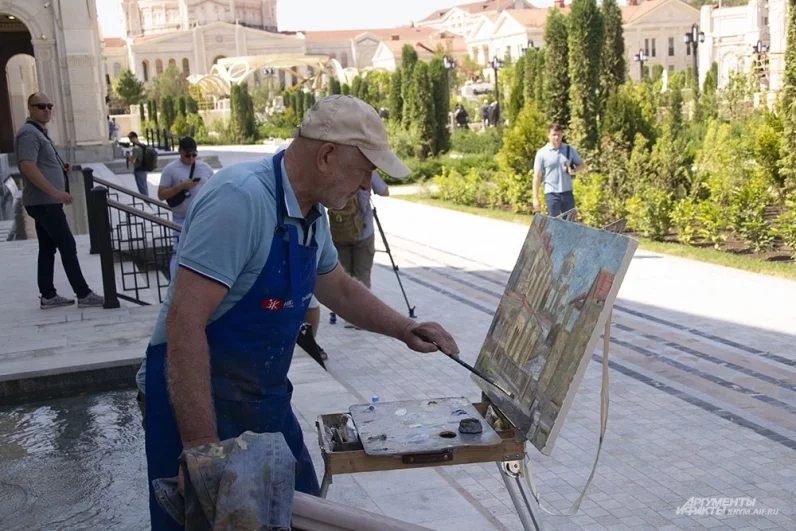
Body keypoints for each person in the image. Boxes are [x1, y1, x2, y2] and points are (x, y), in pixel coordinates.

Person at [139, 95, 459, 530]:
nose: (367, 186)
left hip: (261, 400)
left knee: (303, 516)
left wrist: (405, 327)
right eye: (365, 170)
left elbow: (340, 290)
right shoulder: (241, 198)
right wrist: (200, 449)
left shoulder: (312, 213)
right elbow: (185, 321)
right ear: (327, 156)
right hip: (195, 405)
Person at [14, 92, 105, 309]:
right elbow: (28, 166)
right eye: (41, 106)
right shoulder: (28, 133)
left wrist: (59, 168)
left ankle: (48, 295)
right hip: (44, 202)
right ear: (31, 109)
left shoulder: (38, 132)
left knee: (47, 248)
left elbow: (40, 163)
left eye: (49, 106)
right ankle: (83, 294)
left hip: (44, 201)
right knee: (67, 245)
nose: (47, 110)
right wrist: (55, 192)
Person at [328, 171, 389, 328]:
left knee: (344, 275)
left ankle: (346, 316)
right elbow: (385, 192)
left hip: (339, 232)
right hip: (363, 232)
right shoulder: (367, 171)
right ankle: (360, 318)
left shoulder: (337, 168)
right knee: (362, 274)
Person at [157, 136, 214, 278]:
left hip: (202, 217)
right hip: (180, 218)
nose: (191, 159)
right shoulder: (170, 169)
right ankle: (174, 285)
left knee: (203, 252)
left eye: (194, 155)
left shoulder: (205, 168)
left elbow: (214, 188)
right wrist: (181, 186)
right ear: (180, 152)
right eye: (187, 155)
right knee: (178, 252)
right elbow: (161, 194)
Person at [532, 123, 585, 217]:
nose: (556, 137)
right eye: (554, 135)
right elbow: (537, 176)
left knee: (570, 224)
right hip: (551, 194)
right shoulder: (542, 153)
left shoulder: (569, 150)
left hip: (567, 192)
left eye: (559, 135)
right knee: (553, 222)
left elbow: (582, 165)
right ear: (548, 135)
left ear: (562, 135)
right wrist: (535, 198)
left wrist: (575, 170)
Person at [126, 131, 150, 196]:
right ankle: (148, 201)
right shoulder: (143, 145)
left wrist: (128, 156)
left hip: (139, 170)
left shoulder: (136, 148)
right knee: (144, 187)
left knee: (142, 189)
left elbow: (133, 161)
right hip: (144, 168)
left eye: (130, 139)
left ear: (134, 138)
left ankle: (147, 203)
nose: (130, 141)